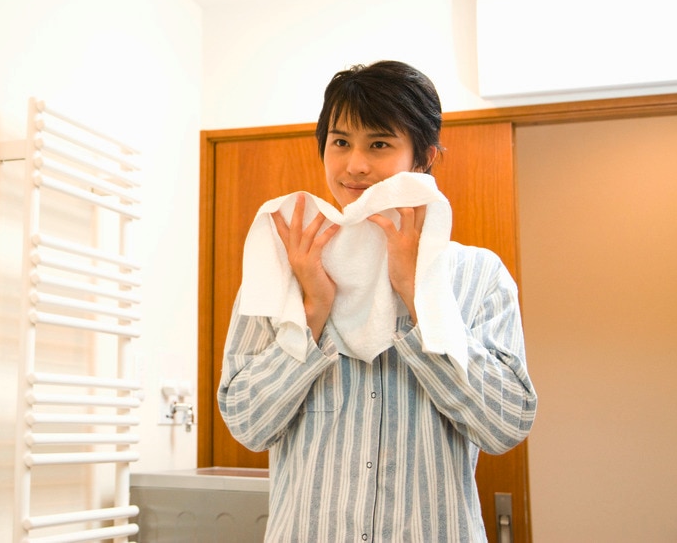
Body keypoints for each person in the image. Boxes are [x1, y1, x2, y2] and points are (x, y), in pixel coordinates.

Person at [217, 60, 537, 542]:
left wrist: (418, 296)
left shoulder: (477, 276)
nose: (355, 165)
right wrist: (312, 311)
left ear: (423, 157)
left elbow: (506, 425)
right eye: (340, 142)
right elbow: (246, 424)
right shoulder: (282, 272)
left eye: (380, 144)